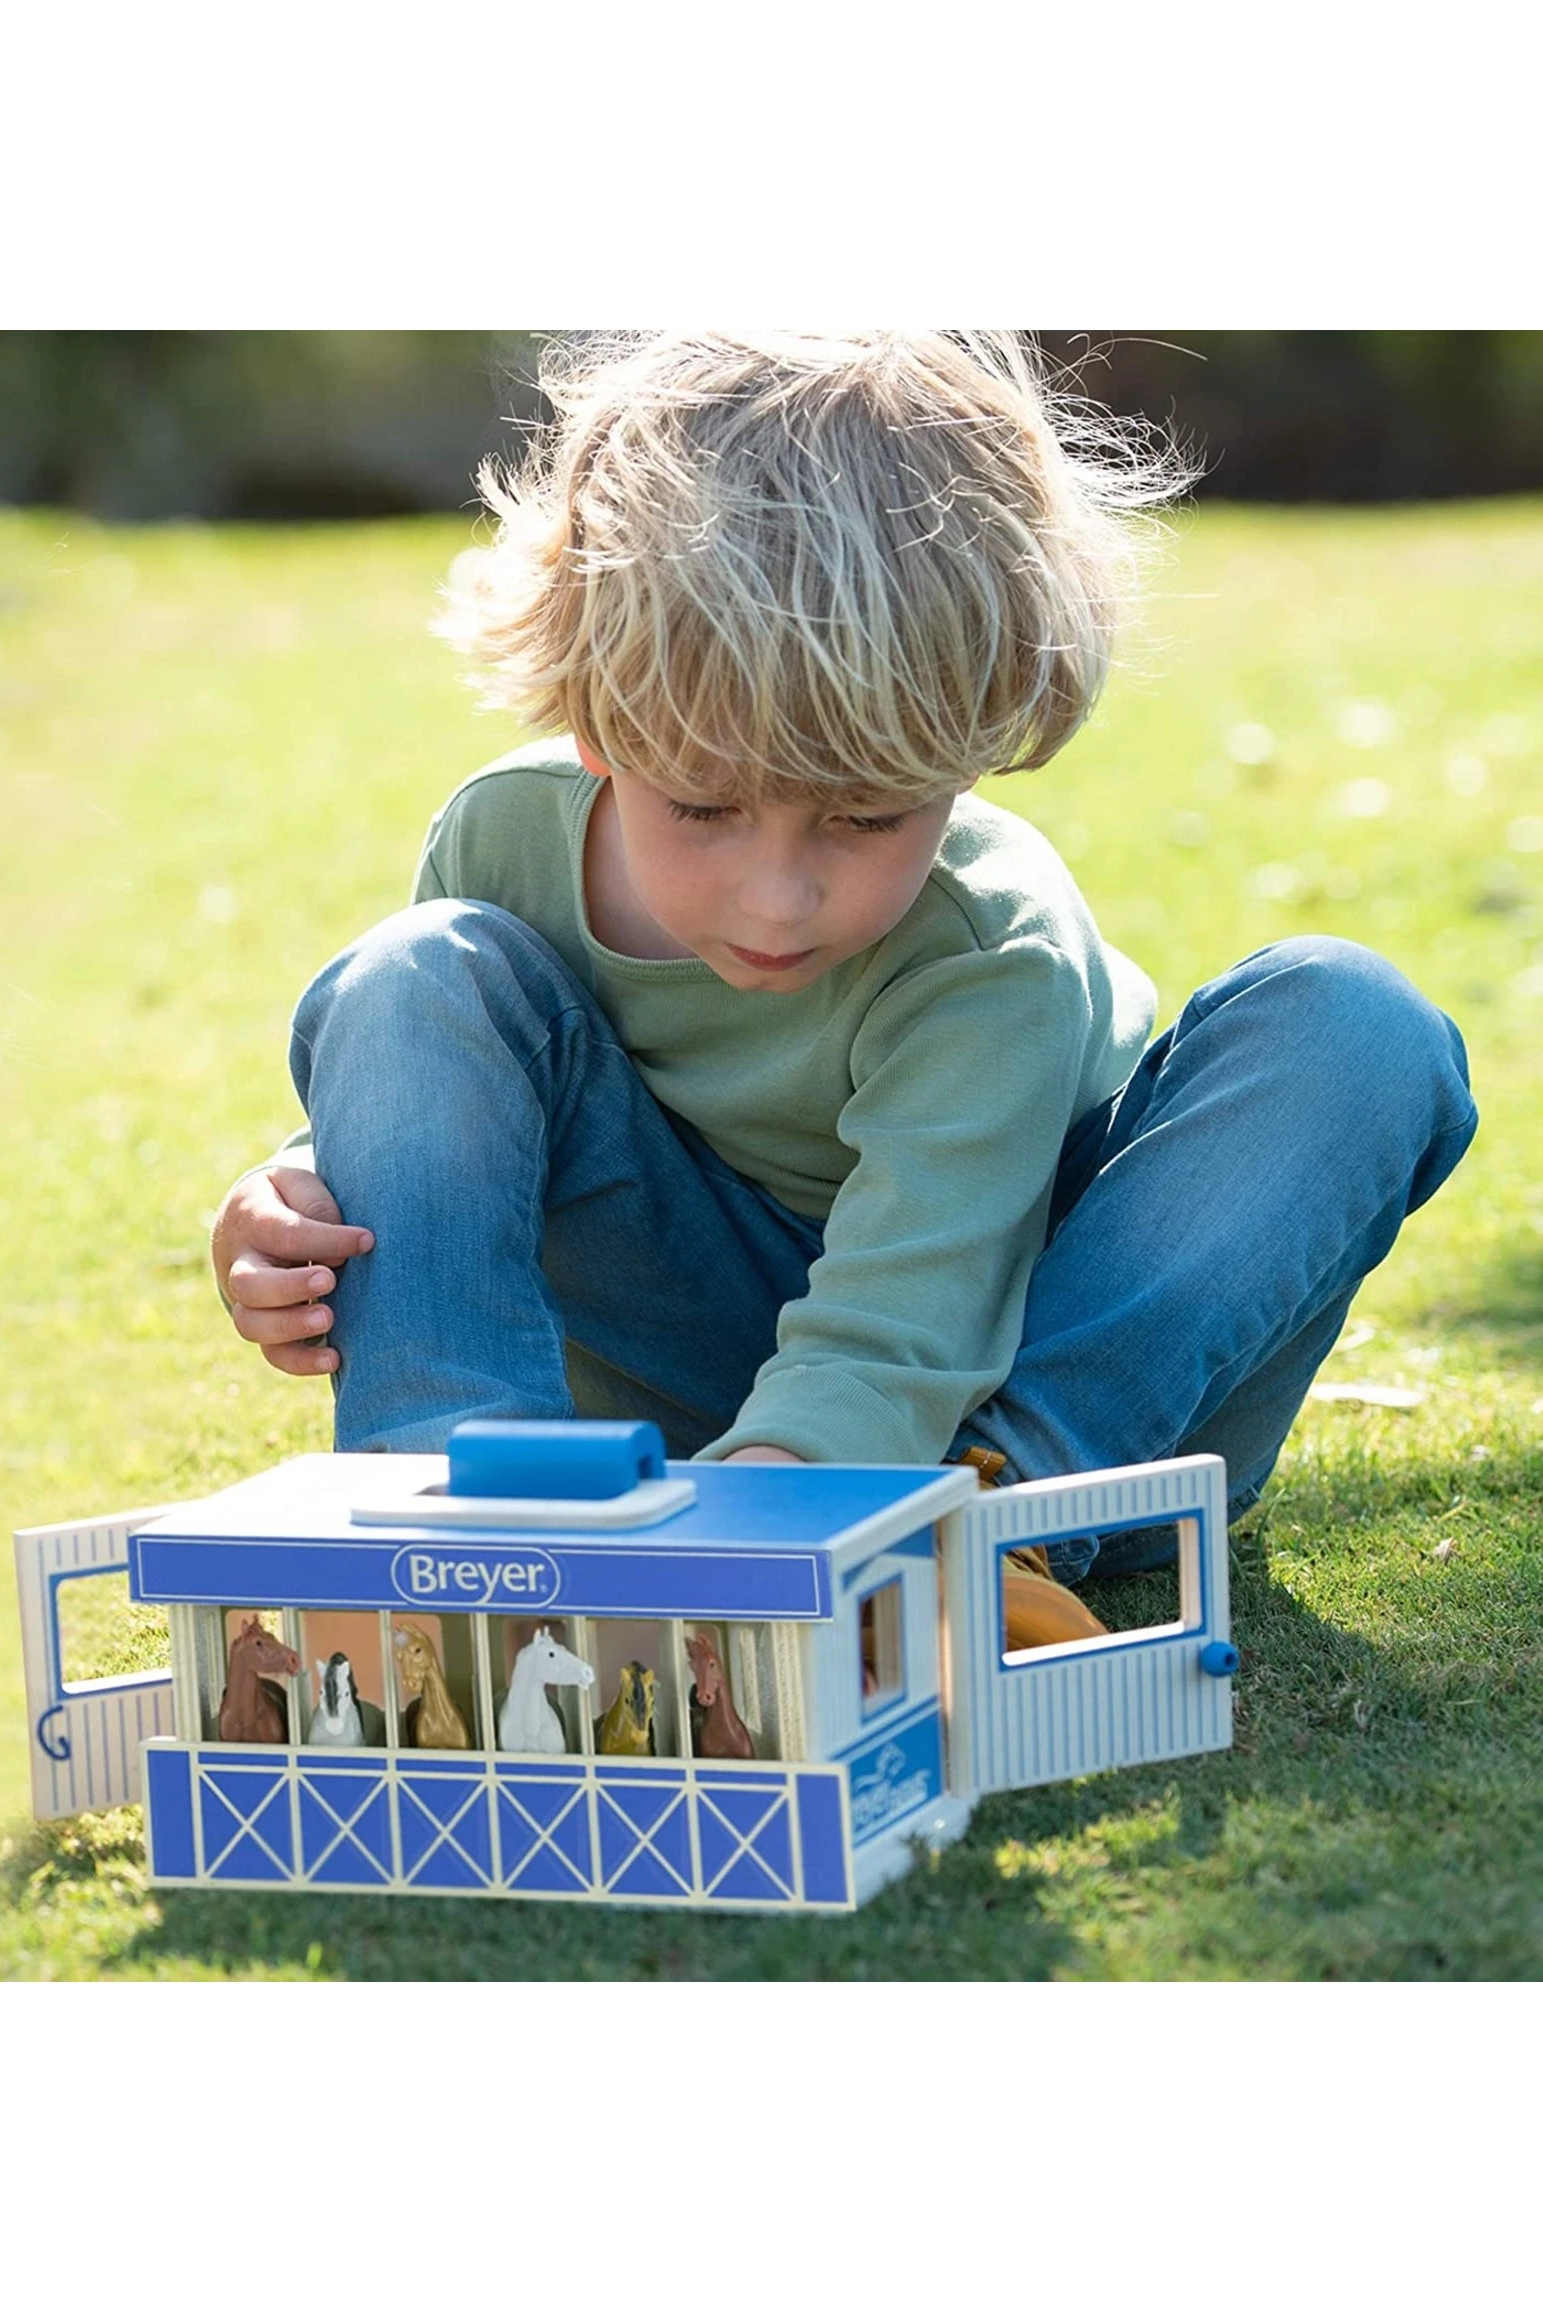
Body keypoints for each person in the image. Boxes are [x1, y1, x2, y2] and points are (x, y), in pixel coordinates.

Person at [209, 331, 1477, 1636]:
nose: (778, 895)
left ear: (975, 743)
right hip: (697, 1382)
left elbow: (913, 1302)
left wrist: (780, 1523)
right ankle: (450, 1535)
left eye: (866, 819)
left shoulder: (989, 944)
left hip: (1063, 1378)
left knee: (1356, 1022)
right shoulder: (502, 843)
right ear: (595, 719)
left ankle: (985, 1523)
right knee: (413, 970)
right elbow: (440, 1092)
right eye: (702, 806)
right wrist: (307, 1189)